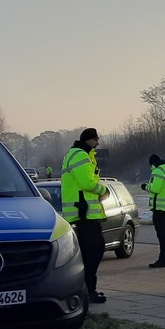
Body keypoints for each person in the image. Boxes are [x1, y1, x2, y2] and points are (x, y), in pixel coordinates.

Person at [61, 128, 109, 303]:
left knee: (89, 252)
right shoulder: (80, 156)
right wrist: (104, 190)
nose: (97, 143)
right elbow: (87, 182)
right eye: (96, 140)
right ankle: (89, 290)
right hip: (84, 213)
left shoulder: (75, 155)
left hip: (83, 213)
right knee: (94, 250)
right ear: (88, 140)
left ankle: (87, 290)